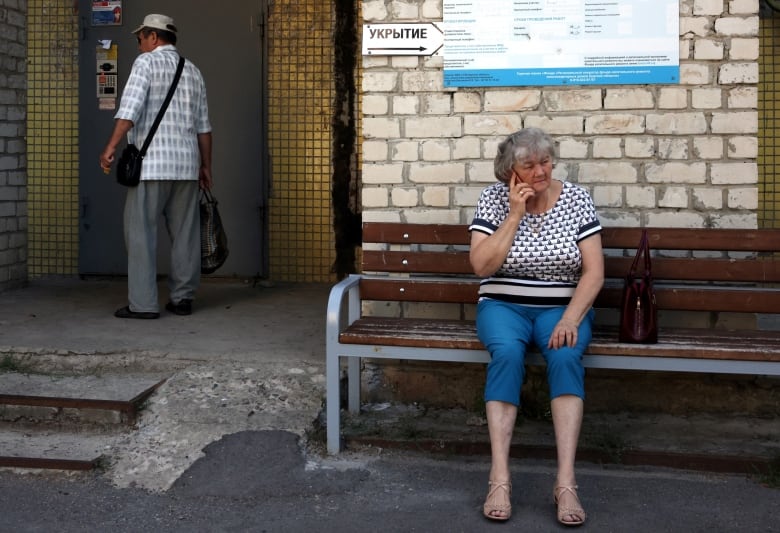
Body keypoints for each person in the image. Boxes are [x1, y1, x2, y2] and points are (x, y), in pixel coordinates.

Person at [468, 127, 603, 526]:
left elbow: (594, 273)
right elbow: (481, 266)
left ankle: (566, 484)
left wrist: (570, 318)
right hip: (502, 305)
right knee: (507, 354)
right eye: (528, 165)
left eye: (545, 161)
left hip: (561, 308)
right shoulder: (493, 200)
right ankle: (499, 479)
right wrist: (514, 214)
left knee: (564, 355)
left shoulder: (576, 199)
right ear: (510, 171)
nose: (540, 171)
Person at [99, 13, 212, 319]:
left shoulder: (146, 64)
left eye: (139, 39)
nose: (138, 46)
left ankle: (144, 305)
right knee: (185, 236)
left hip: (150, 168)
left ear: (153, 37)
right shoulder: (193, 71)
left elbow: (130, 110)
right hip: (186, 168)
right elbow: (204, 127)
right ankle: (182, 299)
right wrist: (206, 167)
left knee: (140, 235)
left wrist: (110, 147)